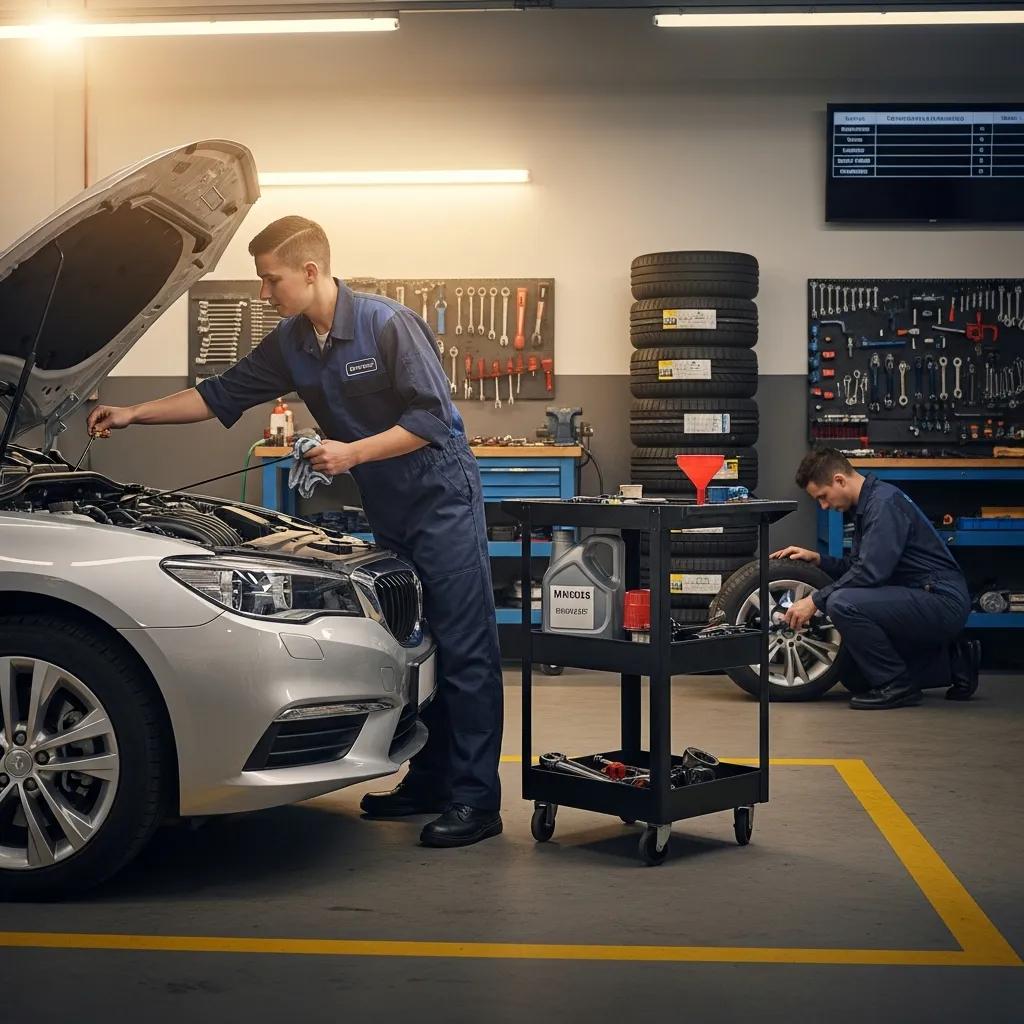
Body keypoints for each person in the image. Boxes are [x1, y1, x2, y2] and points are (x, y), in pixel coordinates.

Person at [87, 216, 504, 847]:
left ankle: (476, 800)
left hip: (441, 498)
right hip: (388, 504)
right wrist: (132, 413)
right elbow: (220, 394)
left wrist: (351, 453)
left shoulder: (387, 325)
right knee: (416, 643)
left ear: (310, 272)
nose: (263, 293)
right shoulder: (293, 342)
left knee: (466, 646)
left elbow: (434, 420)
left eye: (270, 279)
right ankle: (431, 779)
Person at [773, 447, 980, 709]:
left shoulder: (883, 504)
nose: (824, 506)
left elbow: (871, 573)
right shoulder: (868, 504)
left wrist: (814, 600)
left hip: (941, 600)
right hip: (919, 595)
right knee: (856, 677)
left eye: (823, 497)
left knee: (841, 603)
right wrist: (820, 560)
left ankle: (898, 686)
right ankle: (954, 662)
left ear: (839, 480)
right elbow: (859, 566)